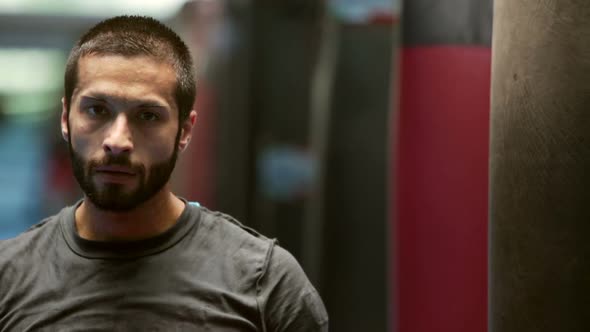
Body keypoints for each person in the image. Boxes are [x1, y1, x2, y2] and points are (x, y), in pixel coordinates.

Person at [0, 15, 328, 331]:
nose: (117, 141)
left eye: (148, 116)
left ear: (185, 130)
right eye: (97, 110)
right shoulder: (9, 278)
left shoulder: (265, 283)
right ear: (65, 119)